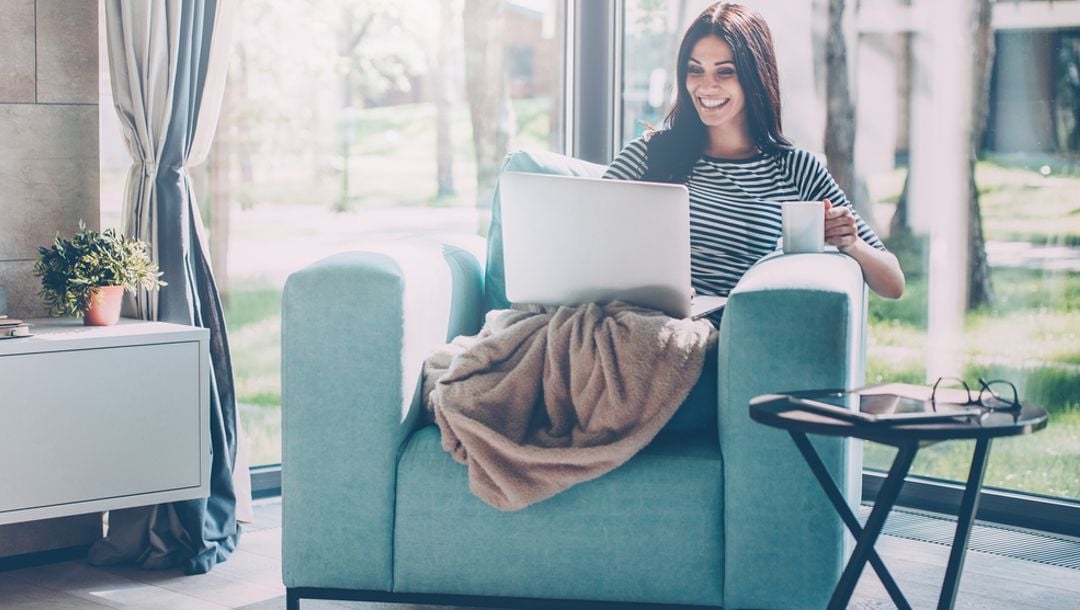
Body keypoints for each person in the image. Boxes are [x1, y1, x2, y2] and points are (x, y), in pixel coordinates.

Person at [605, 2, 905, 300]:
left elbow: (893, 283)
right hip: (640, 314)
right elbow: (584, 235)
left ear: (755, 77)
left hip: (731, 332)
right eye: (695, 70)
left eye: (725, 72)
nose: (706, 86)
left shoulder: (797, 169)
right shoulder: (647, 153)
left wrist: (851, 243)